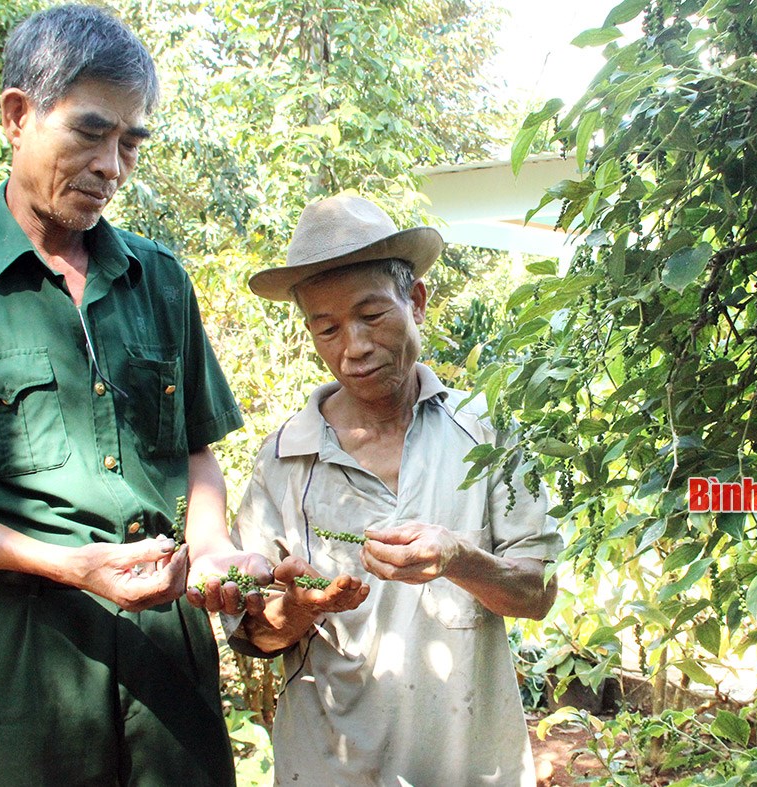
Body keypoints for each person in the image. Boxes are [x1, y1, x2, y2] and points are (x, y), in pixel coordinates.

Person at [0, 5, 268, 783]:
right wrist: (69, 565)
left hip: (169, 640)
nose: (112, 166)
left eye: (131, 144)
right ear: (16, 115)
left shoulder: (159, 278)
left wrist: (208, 552)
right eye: (90, 134)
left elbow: (194, 451)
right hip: (20, 649)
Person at [230, 193, 563, 785]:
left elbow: (536, 595)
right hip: (329, 768)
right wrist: (299, 609)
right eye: (326, 328)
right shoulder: (283, 458)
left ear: (416, 301)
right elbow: (252, 632)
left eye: (372, 316)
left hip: (469, 765)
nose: (352, 347)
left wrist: (460, 559)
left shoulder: (487, 432)